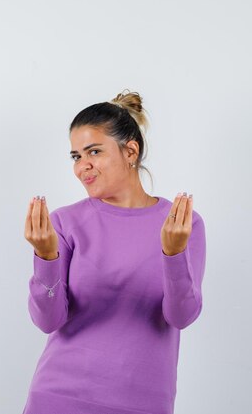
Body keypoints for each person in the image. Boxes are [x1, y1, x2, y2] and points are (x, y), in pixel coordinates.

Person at [22, 89, 207, 414]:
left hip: (142, 402)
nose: (83, 166)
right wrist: (46, 258)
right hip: (59, 398)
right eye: (76, 156)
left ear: (130, 151)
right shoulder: (65, 222)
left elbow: (181, 315)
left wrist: (173, 254)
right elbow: (48, 321)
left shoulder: (181, 224)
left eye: (94, 151)